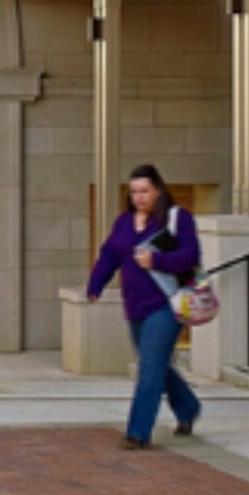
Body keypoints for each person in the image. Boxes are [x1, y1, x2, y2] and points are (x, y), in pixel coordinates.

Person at [87, 163, 204, 449]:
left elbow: (191, 256)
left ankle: (138, 433)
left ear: (158, 191)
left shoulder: (177, 219)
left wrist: (157, 261)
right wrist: (95, 286)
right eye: (134, 191)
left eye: (145, 191)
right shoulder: (124, 222)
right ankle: (188, 407)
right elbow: (108, 256)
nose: (139, 197)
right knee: (158, 366)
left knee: (149, 366)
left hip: (166, 304)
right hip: (135, 306)